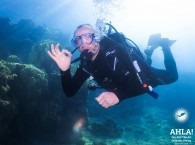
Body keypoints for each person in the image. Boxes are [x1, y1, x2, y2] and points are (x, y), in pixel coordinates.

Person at [47, 24, 178, 108]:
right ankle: (149, 49)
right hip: (132, 74)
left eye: (87, 37)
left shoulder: (116, 50)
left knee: (172, 76)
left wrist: (119, 96)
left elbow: (150, 81)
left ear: (96, 38)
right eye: (78, 40)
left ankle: (164, 45)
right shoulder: (86, 65)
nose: (83, 43)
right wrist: (64, 70)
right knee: (146, 59)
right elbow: (70, 92)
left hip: (139, 69)